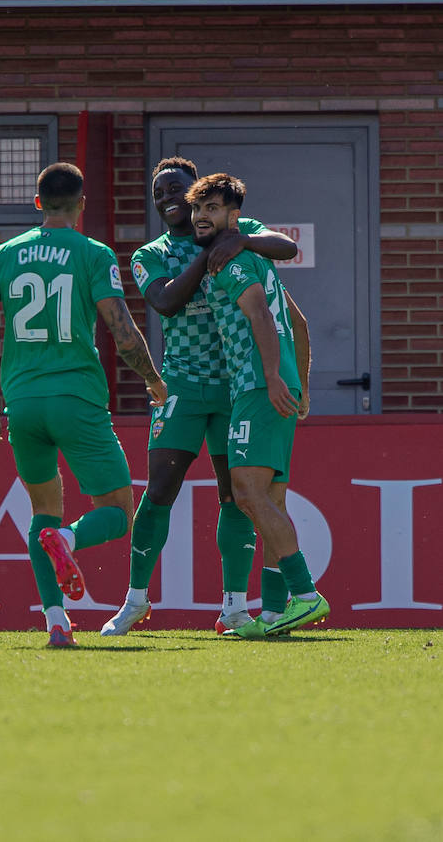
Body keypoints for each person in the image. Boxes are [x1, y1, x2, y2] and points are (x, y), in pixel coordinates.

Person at [0, 162, 166, 648]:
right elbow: (121, 329)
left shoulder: (3, 255)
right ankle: (68, 540)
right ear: (82, 205)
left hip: (22, 404)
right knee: (117, 510)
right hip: (76, 399)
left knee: (43, 508)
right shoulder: (94, 253)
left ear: (37, 204)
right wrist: (153, 378)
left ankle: (56, 621)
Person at [101, 156, 301, 638]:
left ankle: (234, 608)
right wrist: (209, 250)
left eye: (178, 191)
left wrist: (243, 240)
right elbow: (165, 301)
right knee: (160, 491)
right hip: (182, 387)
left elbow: (288, 247)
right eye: (160, 194)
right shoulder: (149, 254)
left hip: (237, 385)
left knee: (236, 498)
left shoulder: (238, 229)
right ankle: (135, 601)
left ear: (197, 196)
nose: (169, 199)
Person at [187, 173, 326, 636]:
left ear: (233, 214)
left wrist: (269, 378)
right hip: (276, 386)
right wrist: (300, 384)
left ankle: (306, 596)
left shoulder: (233, 259)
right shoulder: (256, 254)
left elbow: (261, 315)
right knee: (270, 500)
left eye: (211, 208)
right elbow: (299, 323)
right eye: (197, 209)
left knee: (245, 492)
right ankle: (271, 613)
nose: (201, 216)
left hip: (255, 386)